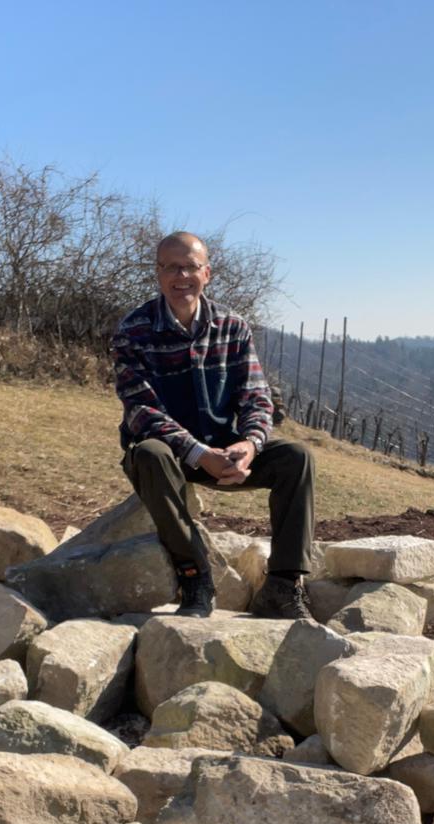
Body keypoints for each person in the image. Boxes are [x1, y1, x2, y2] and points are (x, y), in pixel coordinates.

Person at [111, 231, 314, 619]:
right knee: (150, 454)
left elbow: (256, 396)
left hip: (226, 449)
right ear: (157, 273)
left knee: (297, 458)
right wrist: (198, 454)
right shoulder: (133, 331)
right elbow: (141, 410)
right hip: (167, 452)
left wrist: (250, 445)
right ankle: (195, 579)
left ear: (207, 273)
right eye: (171, 267)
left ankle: (284, 586)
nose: (180, 276)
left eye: (190, 266)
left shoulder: (233, 327)